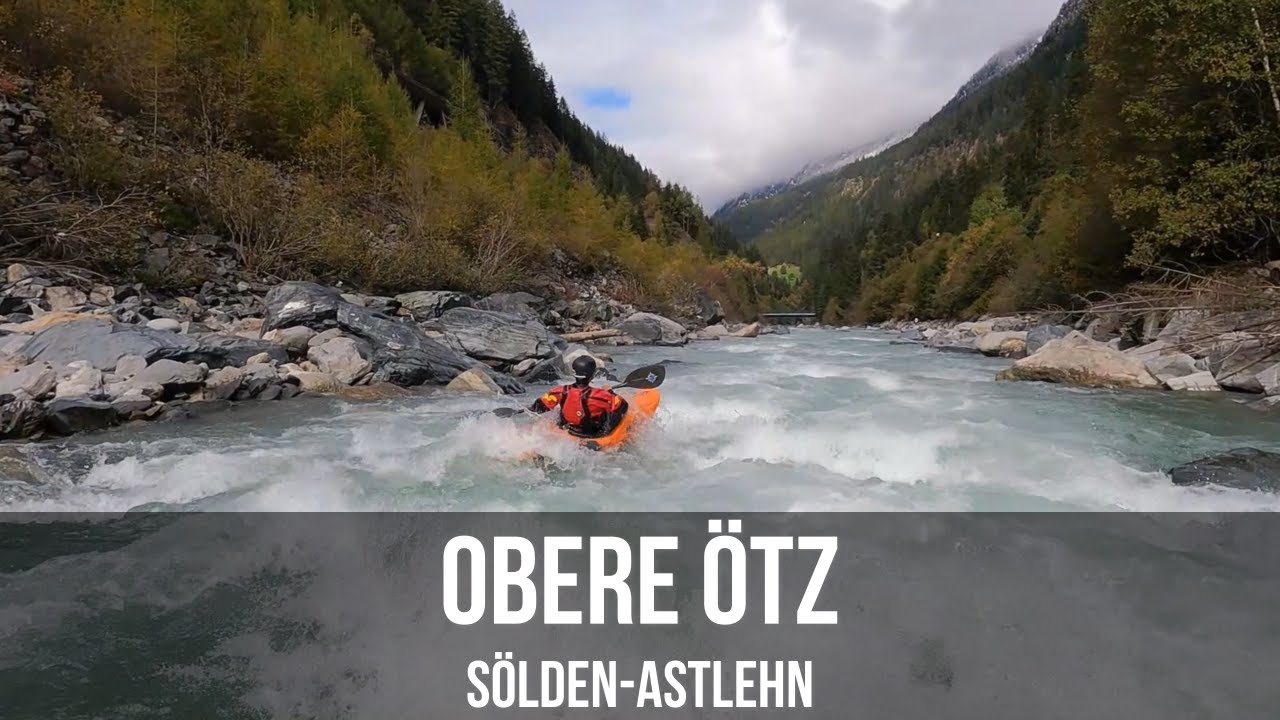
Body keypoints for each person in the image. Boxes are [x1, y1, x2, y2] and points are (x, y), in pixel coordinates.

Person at [530, 355, 628, 438]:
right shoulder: (601, 395)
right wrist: (611, 392)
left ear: (574, 374)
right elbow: (623, 405)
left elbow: (539, 406)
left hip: (568, 431)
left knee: (560, 411)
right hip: (590, 434)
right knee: (610, 411)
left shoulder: (560, 391)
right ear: (592, 375)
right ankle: (606, 433)